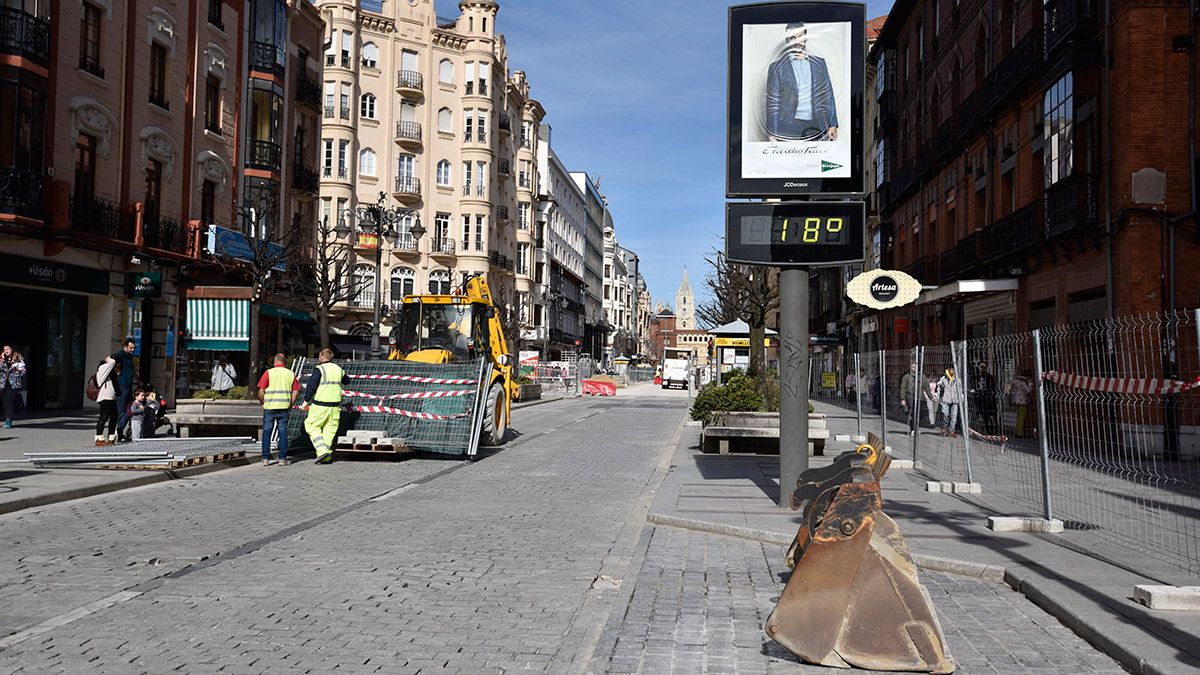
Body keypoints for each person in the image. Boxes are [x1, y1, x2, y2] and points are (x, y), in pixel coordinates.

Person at [765, 22, 839, 142]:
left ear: (805, 37)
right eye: (792, 38)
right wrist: (771, 133)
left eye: (800, 36)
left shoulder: (819, 64)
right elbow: (773, 103)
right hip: (788, 126)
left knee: (816, 160)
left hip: (817, 123)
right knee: (790, 161)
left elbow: (828, 94)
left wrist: (833, 124)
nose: (797, 41)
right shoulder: (777, 68)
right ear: (787, 40)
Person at [302, 348, 347, 465]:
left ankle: (322, 451)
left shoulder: (319, 369)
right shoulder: (339, 369)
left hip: (320, 405)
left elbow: (311, 386)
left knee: (311, 426)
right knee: (329, 431)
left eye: (319, 356)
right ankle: (326, 457)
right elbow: (347, 380)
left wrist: (306, 401)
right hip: (335, 407)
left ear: (322, 357)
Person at [257, 353, 299, 466]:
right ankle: (282, 458)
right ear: (284, 362)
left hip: (269, 407)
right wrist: (290, 403)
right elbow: (296, 391)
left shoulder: (268, 373)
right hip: (284, 408)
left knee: (267, 432)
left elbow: (261, 390)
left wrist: (262, 402)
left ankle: (265, 459)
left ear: (275, 362)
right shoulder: (290, 374)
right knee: (283, 432)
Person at [113, 338, 136, 441]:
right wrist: (117, 372)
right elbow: (112, 361)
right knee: (120, 409)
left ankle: (120, 429)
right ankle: (115, 432)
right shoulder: (121, 354)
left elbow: (132, 370)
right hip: (122, 386)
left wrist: (138, 380)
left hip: (128, 386)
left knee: (130, 408)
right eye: (131, 348)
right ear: (125, 346)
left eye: (134, 348)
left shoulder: (130, 357)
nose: (132, 350)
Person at [94, 357, 119, 446]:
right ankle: (99, 438)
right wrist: (109, 358)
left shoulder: (110, 373)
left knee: (114, 417)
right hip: (105, 398)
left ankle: (111, 438)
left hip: (111, 398)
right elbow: (112, 361)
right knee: (104, 417)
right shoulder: (103, 369)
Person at [0, 345, 26, 429]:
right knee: (5, 402)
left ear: (12, 349)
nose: (6, 351)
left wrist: (14, 372)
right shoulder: (1, 358)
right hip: (3, 383)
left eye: (7, 349)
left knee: (8, 400)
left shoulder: (18, 358)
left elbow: (23, 371)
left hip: (13, 383)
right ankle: (7, 418)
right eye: (4, 349)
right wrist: (2, 359)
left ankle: (8, 420)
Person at [972, 361, 998, 435]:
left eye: (985, 367)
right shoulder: (975, 376)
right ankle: (971, 429)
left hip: (987, 399)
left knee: (988, 415)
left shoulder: (989, 376)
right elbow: (973, 385)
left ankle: (992, 430)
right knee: (976, 415)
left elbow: (992, 387)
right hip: (978, 399)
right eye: (981, 367)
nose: (983, 368)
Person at [937, 367, 963, 437]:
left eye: (954, 369)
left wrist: (961, 399)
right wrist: (939, 398)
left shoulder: (958, 379)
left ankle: (951, 430)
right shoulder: (943, 379)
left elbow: (960, 390)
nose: (952, 371)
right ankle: (944, 428)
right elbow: (939, 388)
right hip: (945, 399)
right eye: (951, 369)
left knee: (954, 417)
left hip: (955, 400)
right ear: (948, 370)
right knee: (946, 415)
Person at [1011, 370, 1034, 438]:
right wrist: (1030, 383)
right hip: (1022, 400)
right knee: (1021, 417)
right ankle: (1020, 433)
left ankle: (1016, 431)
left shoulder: (1015, 381)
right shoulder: (1023, 382)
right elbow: (1028, 390)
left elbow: (1012, 390)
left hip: (1015, 400)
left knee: (1018, 417)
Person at [899, 363, 917, 435]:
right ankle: (912, 429)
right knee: (911, 413)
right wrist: (902, 399)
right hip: (909, 397)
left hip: (918, 397)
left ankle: (914, 428)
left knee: (917, 413)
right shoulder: (906, 376)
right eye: (913, 367)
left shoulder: (920, 376)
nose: (914, 368)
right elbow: (903, 388)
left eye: (916, 367)